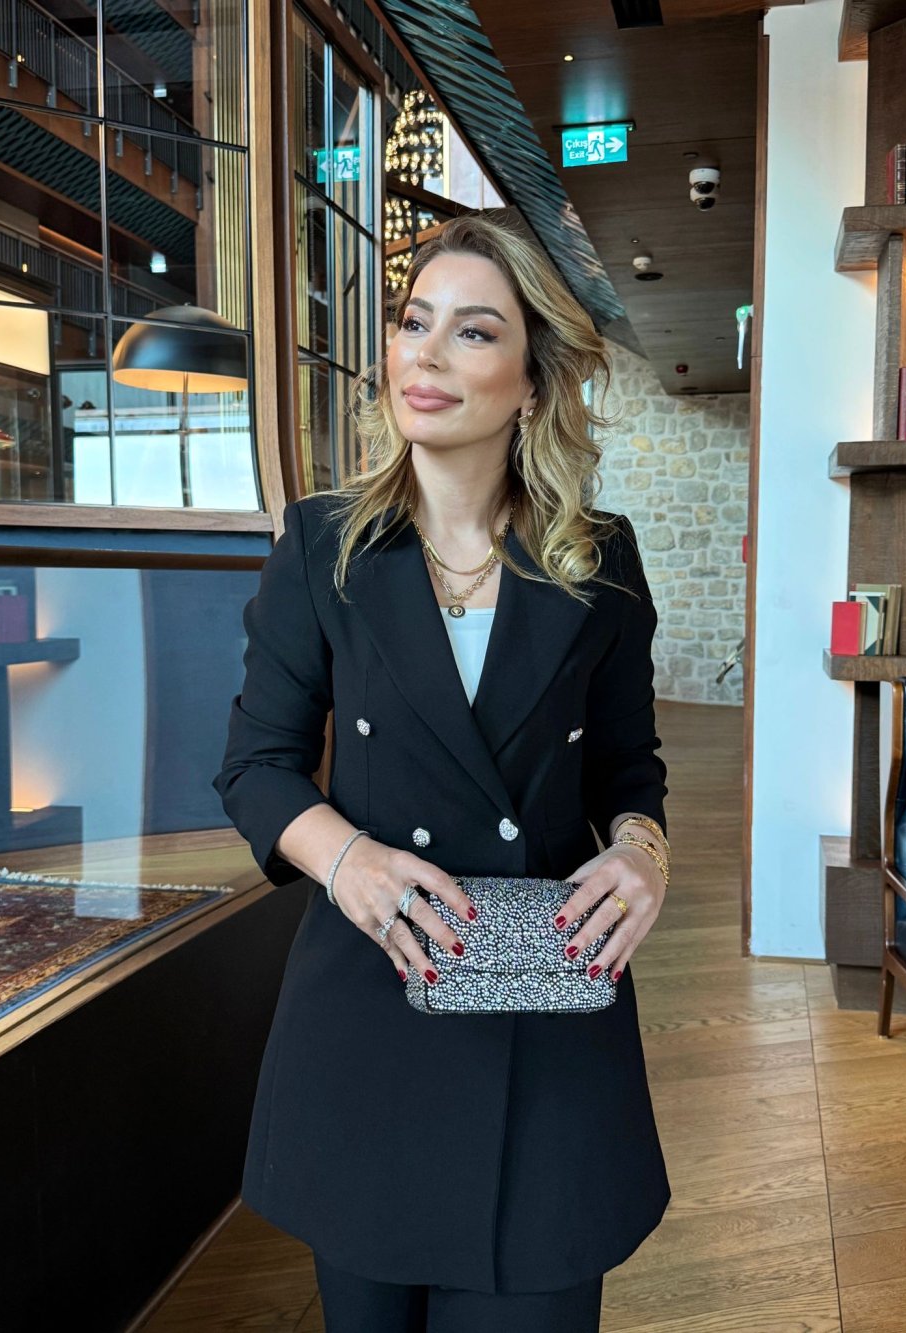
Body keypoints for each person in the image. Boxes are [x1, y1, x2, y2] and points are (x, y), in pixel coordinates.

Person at [212, 212, 673, 1333]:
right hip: (374, 1008)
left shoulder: (598, 556)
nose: (424, 354)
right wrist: (350, 862)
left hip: (544, 1017)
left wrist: (642, 854)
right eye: (414, 322)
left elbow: (630, 765)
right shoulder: (323, 544)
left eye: (472, 331)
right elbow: (256, 765)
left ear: (531, 380)